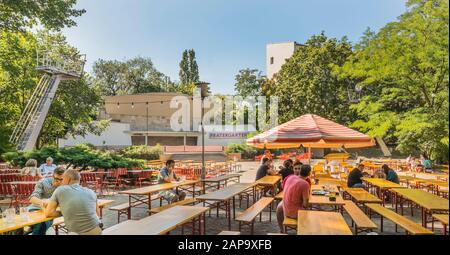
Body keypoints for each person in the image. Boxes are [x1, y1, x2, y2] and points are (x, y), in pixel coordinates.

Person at [44, 169, 102, 235]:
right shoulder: (90, 191)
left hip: (78, 233)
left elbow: (48, 213)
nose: (61, 182)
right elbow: (98, 214)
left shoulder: (60, 190)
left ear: (67, 179)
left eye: (62, 179)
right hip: (97, 230)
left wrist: (64, 212)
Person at [27, 167, 65, 235]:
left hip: (53, 211)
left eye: (61, 179)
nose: (59, 181)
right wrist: (42, 202)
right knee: (41, 224)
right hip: (37, 208)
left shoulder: (66, 185)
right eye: (56, 178)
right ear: (53, 175)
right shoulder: (43, 182)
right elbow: (32, 198)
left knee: (41, 224)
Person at [276, 164, 311, 233]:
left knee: (279, 207)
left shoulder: (290, 177)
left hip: (285, 208)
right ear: (309, 173)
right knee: (314, 214)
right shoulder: (305, 184)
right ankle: (304, 231)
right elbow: (305, 204)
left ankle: (282, 230)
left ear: (300, 171)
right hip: (294, 213)